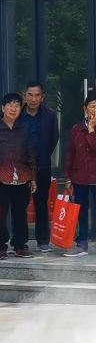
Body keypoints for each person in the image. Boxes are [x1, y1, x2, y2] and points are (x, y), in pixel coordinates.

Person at [63, 95, 96, 257]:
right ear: (85, 109)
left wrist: (91, 128)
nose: (95, 110)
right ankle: (81, 244)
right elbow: (70, 153)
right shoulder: (76, 129)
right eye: (92, 106)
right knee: (80, 211)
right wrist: (68, 177)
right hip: (80, 176)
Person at [20, 80, 59, 253]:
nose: (33, 99)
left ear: (42, 97)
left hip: (42, 166)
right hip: (21, 167)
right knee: (19, 204)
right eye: (30, 95)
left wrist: (42, 156)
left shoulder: (50, 115)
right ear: (24, 96)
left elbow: (54, 138)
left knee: (41, 203)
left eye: (37, 95)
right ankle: (20, 242)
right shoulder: (17, 114)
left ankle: (43, 241)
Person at [0, 93, 37, 259]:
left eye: (17, 106)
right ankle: (1, 246)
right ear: (3, 108)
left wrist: (33, 177)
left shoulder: (25, 129)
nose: (13, 109)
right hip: (1, 177)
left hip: (22, 176)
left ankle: (20, 245)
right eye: (10, 105)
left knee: (20, 214)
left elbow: (31, 153)